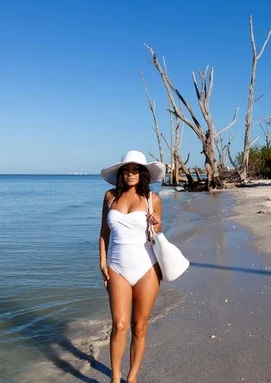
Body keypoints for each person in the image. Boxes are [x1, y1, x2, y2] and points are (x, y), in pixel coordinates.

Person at [99, 150, 166, 383]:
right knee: (119, 325)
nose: (130, 174)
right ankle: (115, 378)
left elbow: (157, 233)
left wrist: (157, 224)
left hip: (147, 267)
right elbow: (104, 232)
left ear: (143, 173)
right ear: (120, 173)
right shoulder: (110, 197)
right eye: (126, 169)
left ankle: (132, 377)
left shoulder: (152, 199)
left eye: (136, 169)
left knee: (139, 327)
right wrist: (102, 263)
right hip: (117, 267)